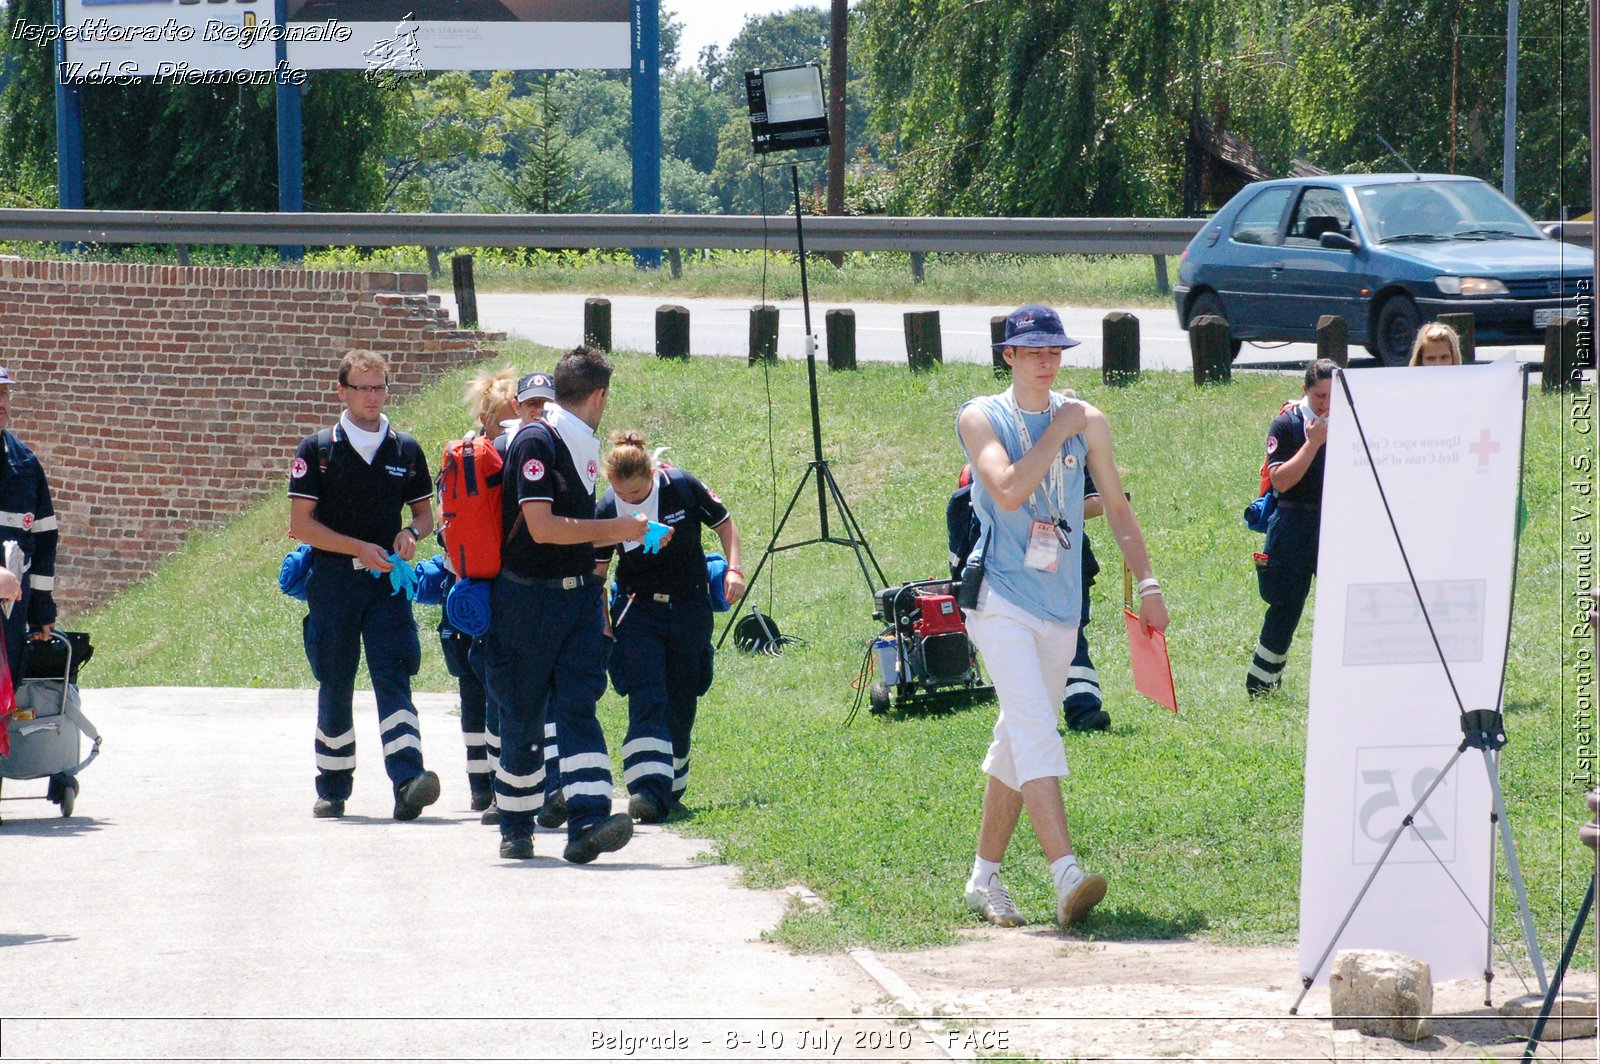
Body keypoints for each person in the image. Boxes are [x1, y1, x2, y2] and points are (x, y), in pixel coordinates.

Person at [956, 304, 1168, 929]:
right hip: (999, 598)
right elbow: (1010, 489)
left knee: (1017, 744)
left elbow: (1120, 509)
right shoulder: (980, 416)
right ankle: (1065, 874)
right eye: (1036, 352)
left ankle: (983, 879)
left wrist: (1149, 583)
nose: (1049, 362)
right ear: (1010, 356)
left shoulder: (1088, 421)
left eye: (1056, 352)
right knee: (1035, 730)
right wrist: (1059, 429)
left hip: (1061, 605)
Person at [486, 345, 646, 862]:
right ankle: (515, 825)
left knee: (579, 706)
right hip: (527, 599)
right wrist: (618, 529)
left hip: (577, 597)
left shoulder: (580, 440)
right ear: (599, 395)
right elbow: (542, 526)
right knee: (524, 713)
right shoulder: (538, 440)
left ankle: (589, 822)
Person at [288, 349, 440, 821]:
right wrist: (357, 548)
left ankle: (409, 780)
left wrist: (409, 534)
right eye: (363, 388)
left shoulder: (405, 448)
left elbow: (425, 514)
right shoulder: (318, 450)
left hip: (387, 585)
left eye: (379, 387)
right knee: (335, 681)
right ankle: (333, 786)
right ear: (342, 392)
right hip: (334, 581)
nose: (372, 397)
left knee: (394, 677)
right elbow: (301, 526)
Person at [595, 430, 744, 822]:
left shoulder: (681, 485)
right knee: (647, 694)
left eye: (635, 494)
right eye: (620, 494)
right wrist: (603, 622)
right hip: (637, 610)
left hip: (690, 607)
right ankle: (646, 790)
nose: (627, 500)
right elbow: (598, 572)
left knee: (682, 697)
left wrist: (734, 570)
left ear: (652, 475)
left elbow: (726, 525)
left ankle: (672, 788)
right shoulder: (607, 506)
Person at [948, 464, 1108, 731]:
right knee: (1026, 641)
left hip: (1064, 559)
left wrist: (1053, 513)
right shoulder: (990, 457)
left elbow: (1097, 502)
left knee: (1069, 633)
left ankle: (1079, 707)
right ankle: (1053, 712)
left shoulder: (1069, 450)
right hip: (1011, 570)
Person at [440, 367, 519, 815]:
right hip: (501, 588)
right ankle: (500, 786)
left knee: (473, 688)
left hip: (461, 588)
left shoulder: (458, 459)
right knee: (498, 689)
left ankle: (479, 786)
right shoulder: (502, 459)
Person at [1246, 359, 1337, 695]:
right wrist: (1312, 443)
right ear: (1305, 391)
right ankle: (1261, 682)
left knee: (1341, 604)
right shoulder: (1286, 424)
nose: (1326, 404)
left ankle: (1338, 683)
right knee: (1285, 605)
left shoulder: (1352, 422)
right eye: (1319, 396)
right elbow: (1281, 481)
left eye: (1331, 396)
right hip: (1293, 522)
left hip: (1335, 523)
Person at [0, 367, 59, 678]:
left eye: (5, 393)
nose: (2, 402)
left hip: (10, 623)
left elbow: (44, 540)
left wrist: (40, 612)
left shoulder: (25, 464)